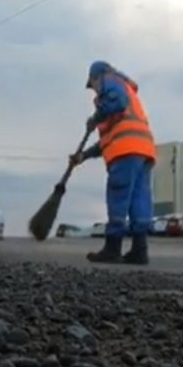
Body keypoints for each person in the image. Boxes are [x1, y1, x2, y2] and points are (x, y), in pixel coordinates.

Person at [69, 61, 157, 265]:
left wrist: (97, 116)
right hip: (143, 150)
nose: (94, 91)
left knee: (118, 197)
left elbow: (118, 102)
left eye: (92, 84)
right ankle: (139, 250)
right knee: (139, 200)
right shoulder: (127, 91)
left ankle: (112, 248)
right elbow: (108, 139)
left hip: (125, 152)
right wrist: (84, 155)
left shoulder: (111, 81)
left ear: (97, 76)